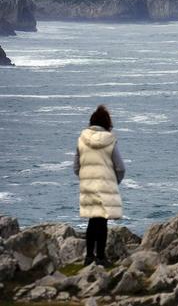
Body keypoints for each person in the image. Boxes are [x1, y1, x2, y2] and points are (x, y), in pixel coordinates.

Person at [74, 105, 126, 266]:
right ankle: (101, 257)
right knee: (102, 220)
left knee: (92, 218)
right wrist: (114, 181)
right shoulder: (110, 140)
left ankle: (89, 256)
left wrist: (85, 177)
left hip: (88, 183)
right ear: (107, 123)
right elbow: (120, 167)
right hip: (105, 184)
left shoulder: (82, 139)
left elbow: (76, 166)